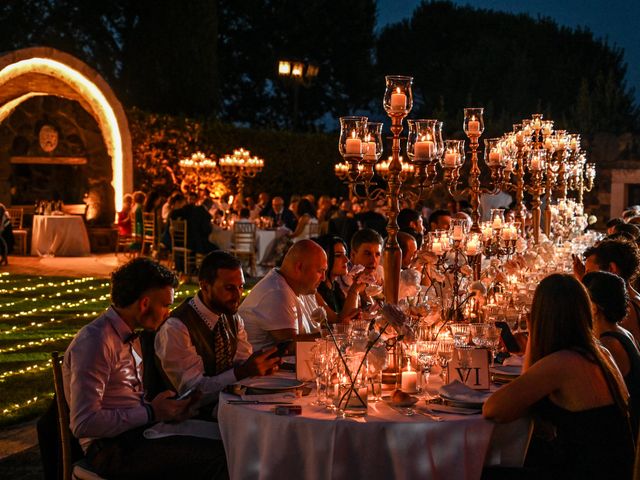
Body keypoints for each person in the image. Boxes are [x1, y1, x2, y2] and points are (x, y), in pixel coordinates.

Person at [62, 258, 227, 479]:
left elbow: (123, 399)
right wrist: (151, 412)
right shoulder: (96, 341)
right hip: (112, 449)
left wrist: (166, 409)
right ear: (144, 304)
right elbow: (84, 423)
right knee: (220, 459)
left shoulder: (130, 335)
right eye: (166, 305)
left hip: (138, 434)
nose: (168, 313)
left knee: (230, 440)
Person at [483, 273, 634, 479]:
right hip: (613, 469)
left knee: (479, 472)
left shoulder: (563, 363)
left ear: (542, 317)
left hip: (585, 473)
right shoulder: (599, 352)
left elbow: (493, 409)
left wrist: (534, 338)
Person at [155, 251, 280, 413]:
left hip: (229, 409)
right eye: (229, 288)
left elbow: (242, 363)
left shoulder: (233, 318)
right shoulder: (177, 327)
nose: (237, 296)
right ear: (205, 286)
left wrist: (259, 367)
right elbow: (193, 392)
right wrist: (244, 371)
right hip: (188, 419)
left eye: (241, 287)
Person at [240, 239, 327, 351]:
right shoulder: (277, 293)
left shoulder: (299, 286)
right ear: (299, 267)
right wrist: (330, 337)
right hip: (254, 365)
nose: (323, 278)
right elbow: (291, 347)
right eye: (320, 271)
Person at [583, 271, 640, 435]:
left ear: (594, 307)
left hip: (622, 434)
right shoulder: (621, 331)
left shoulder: (609, 345)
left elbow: (592, 398)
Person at [575, 238, 640, 344]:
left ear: (611, 268)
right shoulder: (633, 297)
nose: (587, 277)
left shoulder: (625, 307)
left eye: (589, 272)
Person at [314, 235, 363, 320]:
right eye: (338, 255)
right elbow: (339, 323)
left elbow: (350, 317)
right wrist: (354, 290)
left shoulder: (335, 287)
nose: (346, 260)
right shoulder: (315, 290)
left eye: (345, 254)